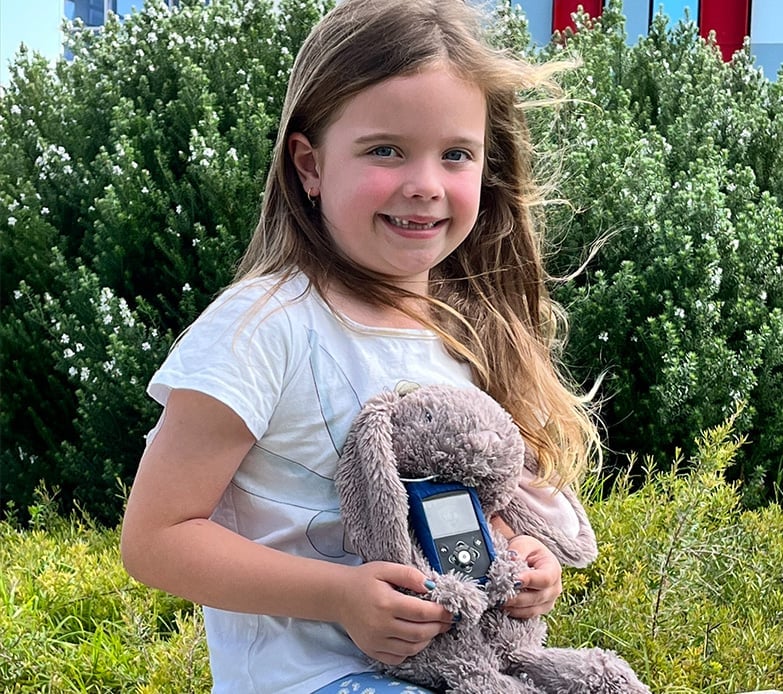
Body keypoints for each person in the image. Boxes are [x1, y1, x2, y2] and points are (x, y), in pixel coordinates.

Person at [120, 0, 601, 692]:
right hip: (312, 681)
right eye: (385, 150)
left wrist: (524, 562)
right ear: (309, 165)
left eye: (455, 154)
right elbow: (155, 539)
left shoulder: (461, 333)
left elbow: (472, 506)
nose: (425, 185)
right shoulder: (262, 327)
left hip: (461, 671)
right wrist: (338, 596)